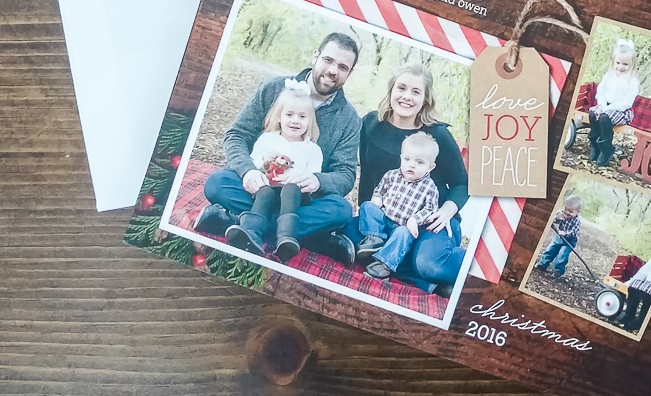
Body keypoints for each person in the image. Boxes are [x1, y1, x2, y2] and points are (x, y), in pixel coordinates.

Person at [195, 32, 361, 265]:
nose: (333, 70)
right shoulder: (274, 88)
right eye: (328, 60)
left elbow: (345, 175)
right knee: (217, 183)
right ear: (316, 56)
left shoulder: (350, 119)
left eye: (343, 67)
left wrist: (317, 181)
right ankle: (306, 238)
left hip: (301, 199)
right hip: (259, 187)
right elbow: (236, 135)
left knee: (341, 210)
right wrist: (247, 171)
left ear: (349, 73)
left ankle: (235, 222)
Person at [347, 62, 468, 294]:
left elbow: (462, 184)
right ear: (391, 90)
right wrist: (368, 213)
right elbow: (369, 178)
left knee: (428, 263)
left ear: (425, 99)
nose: (406, 97)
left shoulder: (438, 135)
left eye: (416, 92)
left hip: (430, 221)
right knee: (351, 241)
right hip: (389, 218)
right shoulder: (371, 124)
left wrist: (446, 213)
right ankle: (426, 281)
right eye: (401, 88)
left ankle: (443, 269)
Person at [224, 79, 323, 263]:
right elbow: (254, 164)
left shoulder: (312, 149)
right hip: (268, 187)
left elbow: (315, 175)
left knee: (295, 191)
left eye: (302, 117)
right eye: (289, 115)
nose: (295, 121)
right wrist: (264, 163)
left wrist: (305, 179)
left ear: (310, 121)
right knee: (260, 191)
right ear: (279, 116)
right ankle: (251, 233)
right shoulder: (267, 139)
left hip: (295, 195)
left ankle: (286, 237)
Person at [357, 130, 440, 280]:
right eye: (407, 159)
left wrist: (415, 219)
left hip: (402, 226)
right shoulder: (391, 175)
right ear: (401, 158)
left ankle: (384, 265)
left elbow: (430, 209)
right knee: (367, 206)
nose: (411, 165)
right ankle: (374, 239)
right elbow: (379, 190)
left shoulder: (429, 187)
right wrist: (377, 198)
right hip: (383, 220)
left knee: (403, 233)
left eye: (419, 162)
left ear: (430, 167)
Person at [588, 38, 641, 167]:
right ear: (613, 62)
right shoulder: (609, 76)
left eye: (625, 64)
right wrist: (601, 105)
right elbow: (601, 92)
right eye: (618, 63)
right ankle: (595, 146)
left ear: (632, 65)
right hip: (605, 106)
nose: (620, 67)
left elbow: (626, 103)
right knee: (592, 114)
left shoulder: (632, 81)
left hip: (622, 111)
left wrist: (605, 110)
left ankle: (606, 149)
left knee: (604, 118)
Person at [534, 194, 582, 278]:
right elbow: (552, 220)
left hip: (569, 241)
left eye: (571, 212)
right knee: (550, 250)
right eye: (566, 209)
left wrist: (565, 233)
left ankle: (558, 271)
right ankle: (542, 264)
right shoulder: (561, 214)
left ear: (577, 212)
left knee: (562, 255)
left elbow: (574, 232)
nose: (567, 212)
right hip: (559, 237)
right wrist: (557, 218)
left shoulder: (577, 221)